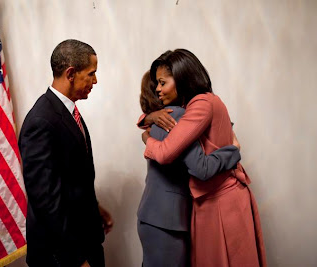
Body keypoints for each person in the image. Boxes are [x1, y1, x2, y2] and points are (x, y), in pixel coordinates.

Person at [141, 49, 267, 267]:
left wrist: (146, 138)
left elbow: (174, 156)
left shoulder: (200, 104)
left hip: (220, 202)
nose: (158, 89)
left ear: (181, 77)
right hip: (214, 200)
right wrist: (148, 119)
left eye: (162, 82)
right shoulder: (202, 103)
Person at [19, 39, 113, 267]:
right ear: (71, 73)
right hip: (61, 255)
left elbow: (70, 176)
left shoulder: (65, 111)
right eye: (91, 73)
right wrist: (77, 258)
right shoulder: (41, 120)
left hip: (84, 240)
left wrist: (94, 207)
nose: (95, 80)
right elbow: (46, 200)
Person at [137, 70, 242, 266]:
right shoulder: (176, 116)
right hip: (168, 220)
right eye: (159, 84)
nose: (161, 88)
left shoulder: (158, 120)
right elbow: (201, 168)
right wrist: (233, 151)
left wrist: (148, 118)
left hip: (154, 216)